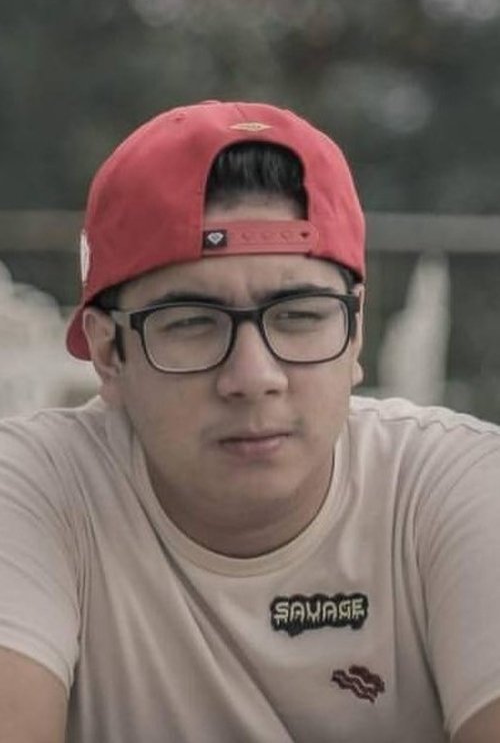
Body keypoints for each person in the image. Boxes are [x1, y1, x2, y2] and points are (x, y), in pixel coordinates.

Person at [0, 100, 499, 743]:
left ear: (355, 332)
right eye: (192, 323)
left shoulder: (452, 489)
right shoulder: (36, 491)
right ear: (107, 353)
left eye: (300, 316)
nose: (254, 376)